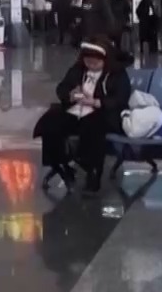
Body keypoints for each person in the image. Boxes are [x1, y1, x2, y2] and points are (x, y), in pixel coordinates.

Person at [34, 41, 131, 192]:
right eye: (88, 62)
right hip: (78, 110)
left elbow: (120, 98)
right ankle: (60, 164)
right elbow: (62, 88)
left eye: (95, 63)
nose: (91, 66)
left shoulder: (116, 73)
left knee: (93, 124)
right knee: (51, 121)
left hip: (104, 113)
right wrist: (70, 95)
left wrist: (97, 102)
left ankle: (92, 171)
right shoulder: (78, 69)